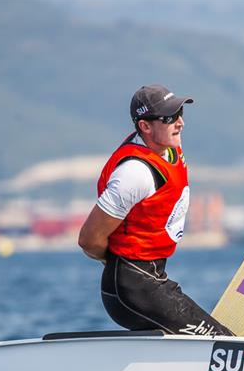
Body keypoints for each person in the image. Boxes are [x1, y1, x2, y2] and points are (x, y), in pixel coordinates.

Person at [78, 84, 234, 337]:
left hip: (152, 276)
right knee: (223, 342)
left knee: (215, 338)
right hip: (132, 287)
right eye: (169, 118)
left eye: (180, 113)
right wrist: (119, 262)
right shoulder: (135, 173)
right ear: (145, 126)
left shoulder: (167, 148)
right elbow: (88, 239)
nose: (180, 122)